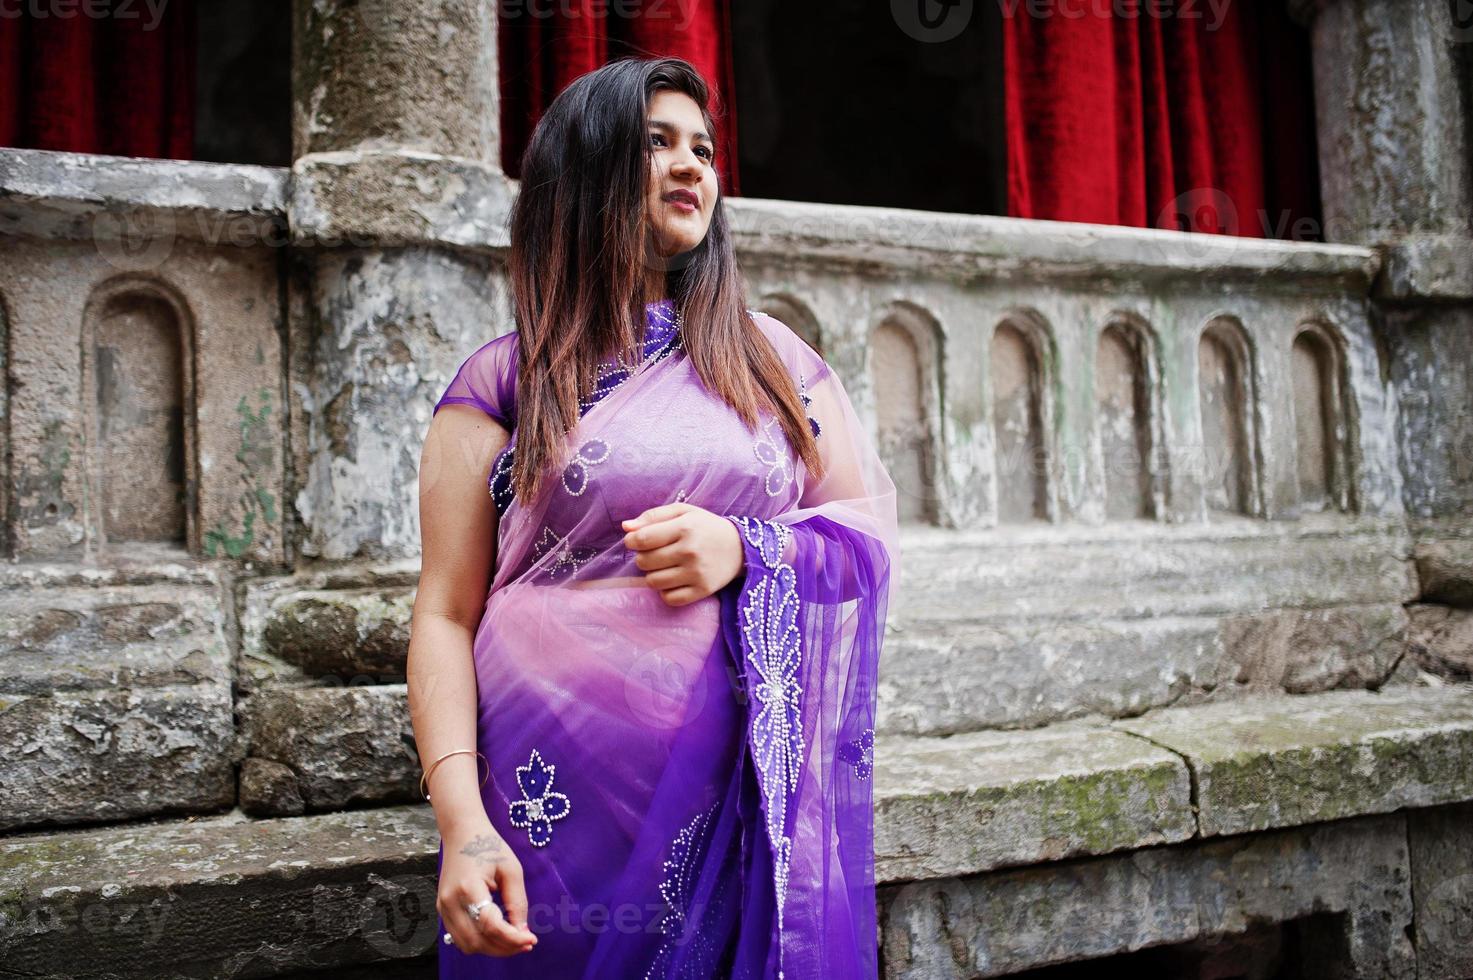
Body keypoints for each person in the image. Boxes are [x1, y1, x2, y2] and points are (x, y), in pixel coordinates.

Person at [408, 54, 899, 979]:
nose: (692, 167)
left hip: (727, 788)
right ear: (583, 171)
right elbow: (444, 612)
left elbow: (865, 543)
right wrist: (462, 825)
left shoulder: (772, 364)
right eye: (655, 144)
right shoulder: (503, 381)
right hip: (543, 796)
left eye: (703, 149)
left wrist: (746, 548)